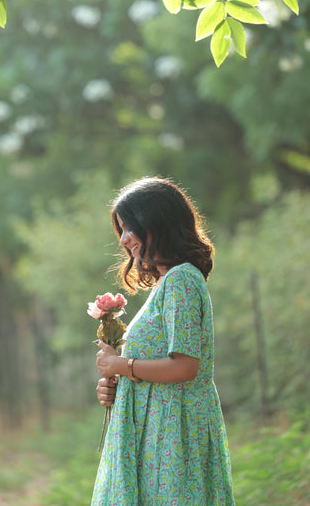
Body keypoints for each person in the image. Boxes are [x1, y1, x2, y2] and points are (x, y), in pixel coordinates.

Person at [92, 176, 235, 506]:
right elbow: (156, 369)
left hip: (173, 432)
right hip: (156, 427)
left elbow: (185, 367)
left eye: (130, 227)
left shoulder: (182, 279)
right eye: (121, 229)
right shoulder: (166, 283)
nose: (124, 238)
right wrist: (116, 384)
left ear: (158, 221)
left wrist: (122, 365)